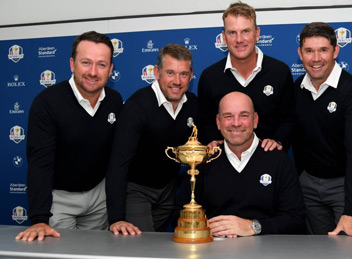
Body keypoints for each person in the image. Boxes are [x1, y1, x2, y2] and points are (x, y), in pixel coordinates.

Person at [15, 31, 123, 241]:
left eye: (101, 65)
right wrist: (39, 218)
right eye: (86, 63)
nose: (93, 72)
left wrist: (116, 212)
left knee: (96, 253)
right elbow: (40, 163)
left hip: (98, 197)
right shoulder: (47, 103)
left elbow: (118, 158)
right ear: (72, 64)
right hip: (60, 199)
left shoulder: (115, 101)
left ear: (110, 70)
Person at [292, 22, 352, 238]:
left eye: (323, 50)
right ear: (300, 54)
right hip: (309, 187)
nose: (316, 58)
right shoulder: (296, 90)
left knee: (350, 250)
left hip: (345, 187)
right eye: (309, 51)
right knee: (318, 250)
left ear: (335, 51)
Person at [179, 92, 306, 237]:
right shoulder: (203, 161)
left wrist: (253, 226)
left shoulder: (279, 161)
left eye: (244, 115)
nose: (236, 123)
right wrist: (207, 226)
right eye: (228, 116)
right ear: (218, 122)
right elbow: (180, 211)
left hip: (268, 252)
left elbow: (296, 219)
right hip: (213, 250)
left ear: (255, 120)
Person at [106, 44, 198, 235]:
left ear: (191, 75)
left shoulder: (193, 104)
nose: (177, 81)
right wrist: (116, 218)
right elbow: (117, 164)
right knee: (142, 246)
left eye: (183, 74)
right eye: (170, 73)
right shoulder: (137, 107)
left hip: (168, 190)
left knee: (159, 246)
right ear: (157, 72)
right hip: (137, 191)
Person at [197, 1, 294, 151]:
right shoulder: (210, 77)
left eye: (245, 31)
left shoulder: (280, 72)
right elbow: (206, 121)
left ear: (257, 33)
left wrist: (278, 141)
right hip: (224, 165)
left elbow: (288, 118)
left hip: (269, 161)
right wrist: (211, 141)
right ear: (223, 36)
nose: (239, 39)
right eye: (232, 32)